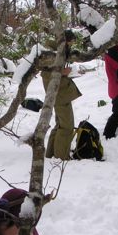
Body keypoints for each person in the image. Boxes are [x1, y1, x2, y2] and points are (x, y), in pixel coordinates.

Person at [41, 30, 82, 160]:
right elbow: (47, 72)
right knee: (66, 127)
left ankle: (52, 154)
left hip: (59, 91)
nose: (71, 44)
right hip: (58, 93)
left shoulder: (58, 50)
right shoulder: (52, 53)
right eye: (70, 42)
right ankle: (61, 157)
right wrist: (63, 72)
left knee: (60, 125)